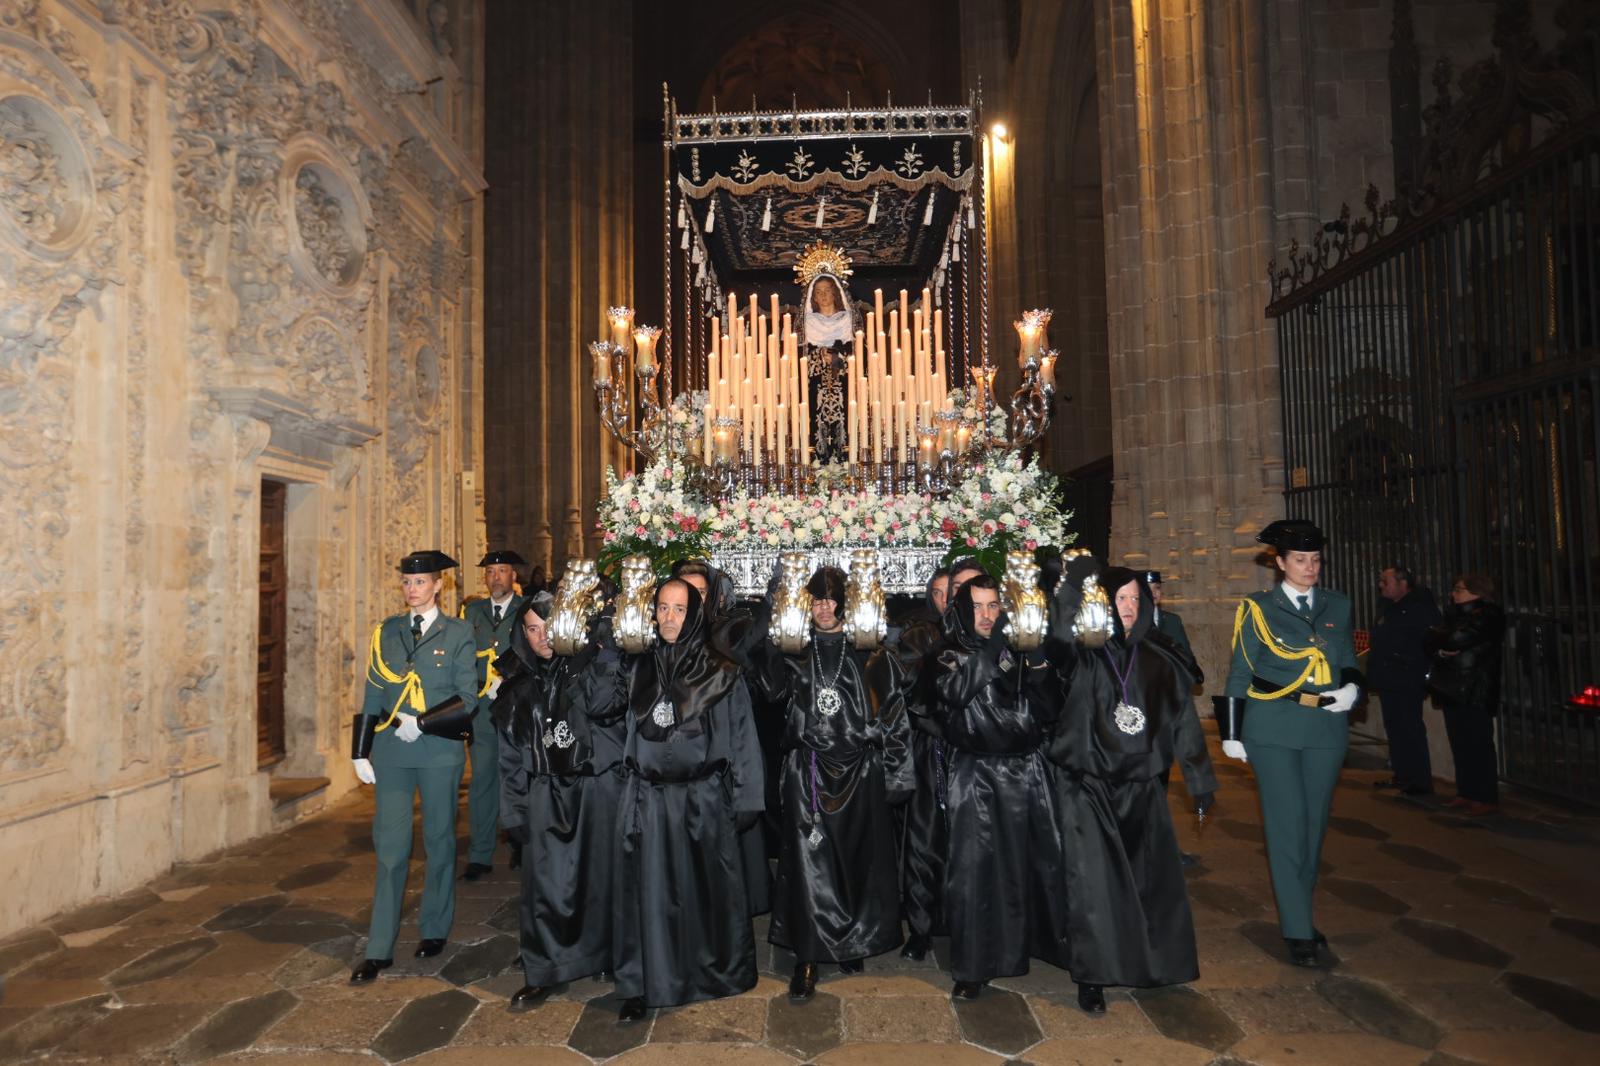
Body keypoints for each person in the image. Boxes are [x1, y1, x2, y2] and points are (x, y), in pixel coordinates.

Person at [1047, 561, 1216, 1014]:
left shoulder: (1160, 656)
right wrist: (1070, 585)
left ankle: (1157, 964)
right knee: (1094, 889)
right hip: (1090, 787)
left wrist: (1199, 779)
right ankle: (1093, 976)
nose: (1127, 607)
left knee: (1150, 884)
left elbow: (1183, 720)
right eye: (1118, 598)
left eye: (1134, 599)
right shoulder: (1082, 653)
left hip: (1142, 789)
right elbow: (1057, 636)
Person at [753, 567, 913, 1000]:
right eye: (816, 600)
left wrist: (899, 774)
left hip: (859, 773)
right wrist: (771, 629)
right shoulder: (795, 650)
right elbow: (769, 691)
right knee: (809, 865)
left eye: (831, 599)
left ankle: (850, 940)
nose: (824, 608)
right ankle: (807, 955)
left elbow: (895, 715)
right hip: (808, 773)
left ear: (845, 601)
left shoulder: (869, 652)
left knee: (854, 857)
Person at [610, 579, 765, 1019]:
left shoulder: (719, 669)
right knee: (651, 895)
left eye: (680, 609)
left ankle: (711, 974)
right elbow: (611, 716)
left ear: (695, 613)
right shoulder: (638, 666)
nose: (670, 618)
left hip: (703, 799)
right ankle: (644, 982)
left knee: (704, 892)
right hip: (651, 799)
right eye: (662, 608)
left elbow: (741, 734)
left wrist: (748, 796)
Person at [1217, 519, 1361, 967]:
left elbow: (1348, 658)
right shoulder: (1259, 607)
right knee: (1287, 825)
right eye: (1300, 560)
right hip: (1273, 725)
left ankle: (1301, 908)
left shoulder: (1339, 603)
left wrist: (1354, 687)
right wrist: (1232, 732)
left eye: (1315, 559)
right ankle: (1298, 928)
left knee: (1314, 827)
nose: (1309, 567)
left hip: (1326, 728)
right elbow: (1241, 668)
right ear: (1279, 563)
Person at [927, 575, 1063, 999]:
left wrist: (1038, 664)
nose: (988, 616)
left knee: (1041, 866)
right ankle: (974, 966)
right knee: (975, 874)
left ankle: (1046, 948)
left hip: (1028, 770)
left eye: (994, 607)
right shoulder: (949, 653)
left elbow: (1053, 710)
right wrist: (995, 650)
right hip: (976, 774)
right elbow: (955, 692)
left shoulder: (1020, 648)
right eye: (979, 607)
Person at [492, 591, 630, 1009]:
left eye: (548, 627)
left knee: (601, 879)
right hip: (545, 792)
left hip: (596, 789)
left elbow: (608, 706)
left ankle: (603, 955)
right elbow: (510, 754)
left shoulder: (593, 668)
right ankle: (547, 967)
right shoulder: (517, 684)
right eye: (532, 629)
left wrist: (595, 650)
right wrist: (513, 809)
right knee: (547, 887)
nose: (541, 637)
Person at [349, 550, 478, 984]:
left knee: (440, 840)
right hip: (391, 751)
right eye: (407, 582)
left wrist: (421, 723)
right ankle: (379, 947)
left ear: (439, 585)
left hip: (438, 750)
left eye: (420, 582)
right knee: (390, 848)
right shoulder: (385, 632)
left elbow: (468, 697)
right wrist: (359, 750)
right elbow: (372, 689)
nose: (412, 590)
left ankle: (435, 927)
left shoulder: (458, 632)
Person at [899, 558, 986, 961]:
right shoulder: (924, 634)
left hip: (981, 759)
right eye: (958, 589)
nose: (965, 597)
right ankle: (920, 928)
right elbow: (914, 694)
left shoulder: (994, 635)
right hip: (935, 751)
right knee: (925, 841)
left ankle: (969, 921)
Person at [460, 549, 529, 878]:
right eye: (490, 572)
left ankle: (521, 845)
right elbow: (463, 656)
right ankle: (480, 853)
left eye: (502, 571)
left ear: (513, 576)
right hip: (482, 710)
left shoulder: (526, 609)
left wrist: (507, 678)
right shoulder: (472, 611)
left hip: (516, 706)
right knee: (482, 781)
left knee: (518, 779)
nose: (496, 577)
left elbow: (533, 651)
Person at [1427, 574, 1505, 815]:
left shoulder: (1489, 615)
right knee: (1460, 743)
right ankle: (1467, 792)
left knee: (1478, 743)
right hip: (1452, 688)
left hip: (1475, 688)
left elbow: (1453, 638)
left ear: (1477, 592)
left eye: (1459, 589)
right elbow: (1430, 639)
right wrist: (1441, 648)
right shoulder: (1455, 615)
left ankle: (1485, 796)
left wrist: (1443, 642)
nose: (1454, 594)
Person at [1369, 565, 1442, 797]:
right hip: (1388, 676)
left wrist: (1407, 660)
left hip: (1408, 677)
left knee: (1410, 727)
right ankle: (1402, 774)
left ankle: (1420, 781)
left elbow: (1429, 641)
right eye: (1381, 580)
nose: (1381, 585)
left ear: (1403, 584)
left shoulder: (1420, 609)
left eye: (1386, 581)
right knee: (1395, 727)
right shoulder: (1389, 607)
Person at [1143, 571, 1193, 657]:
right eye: (1148, 588)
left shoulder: (1173, 621)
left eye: (1157, 587)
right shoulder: (1130, 621)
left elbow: (1187, 657)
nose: (1153, 592)